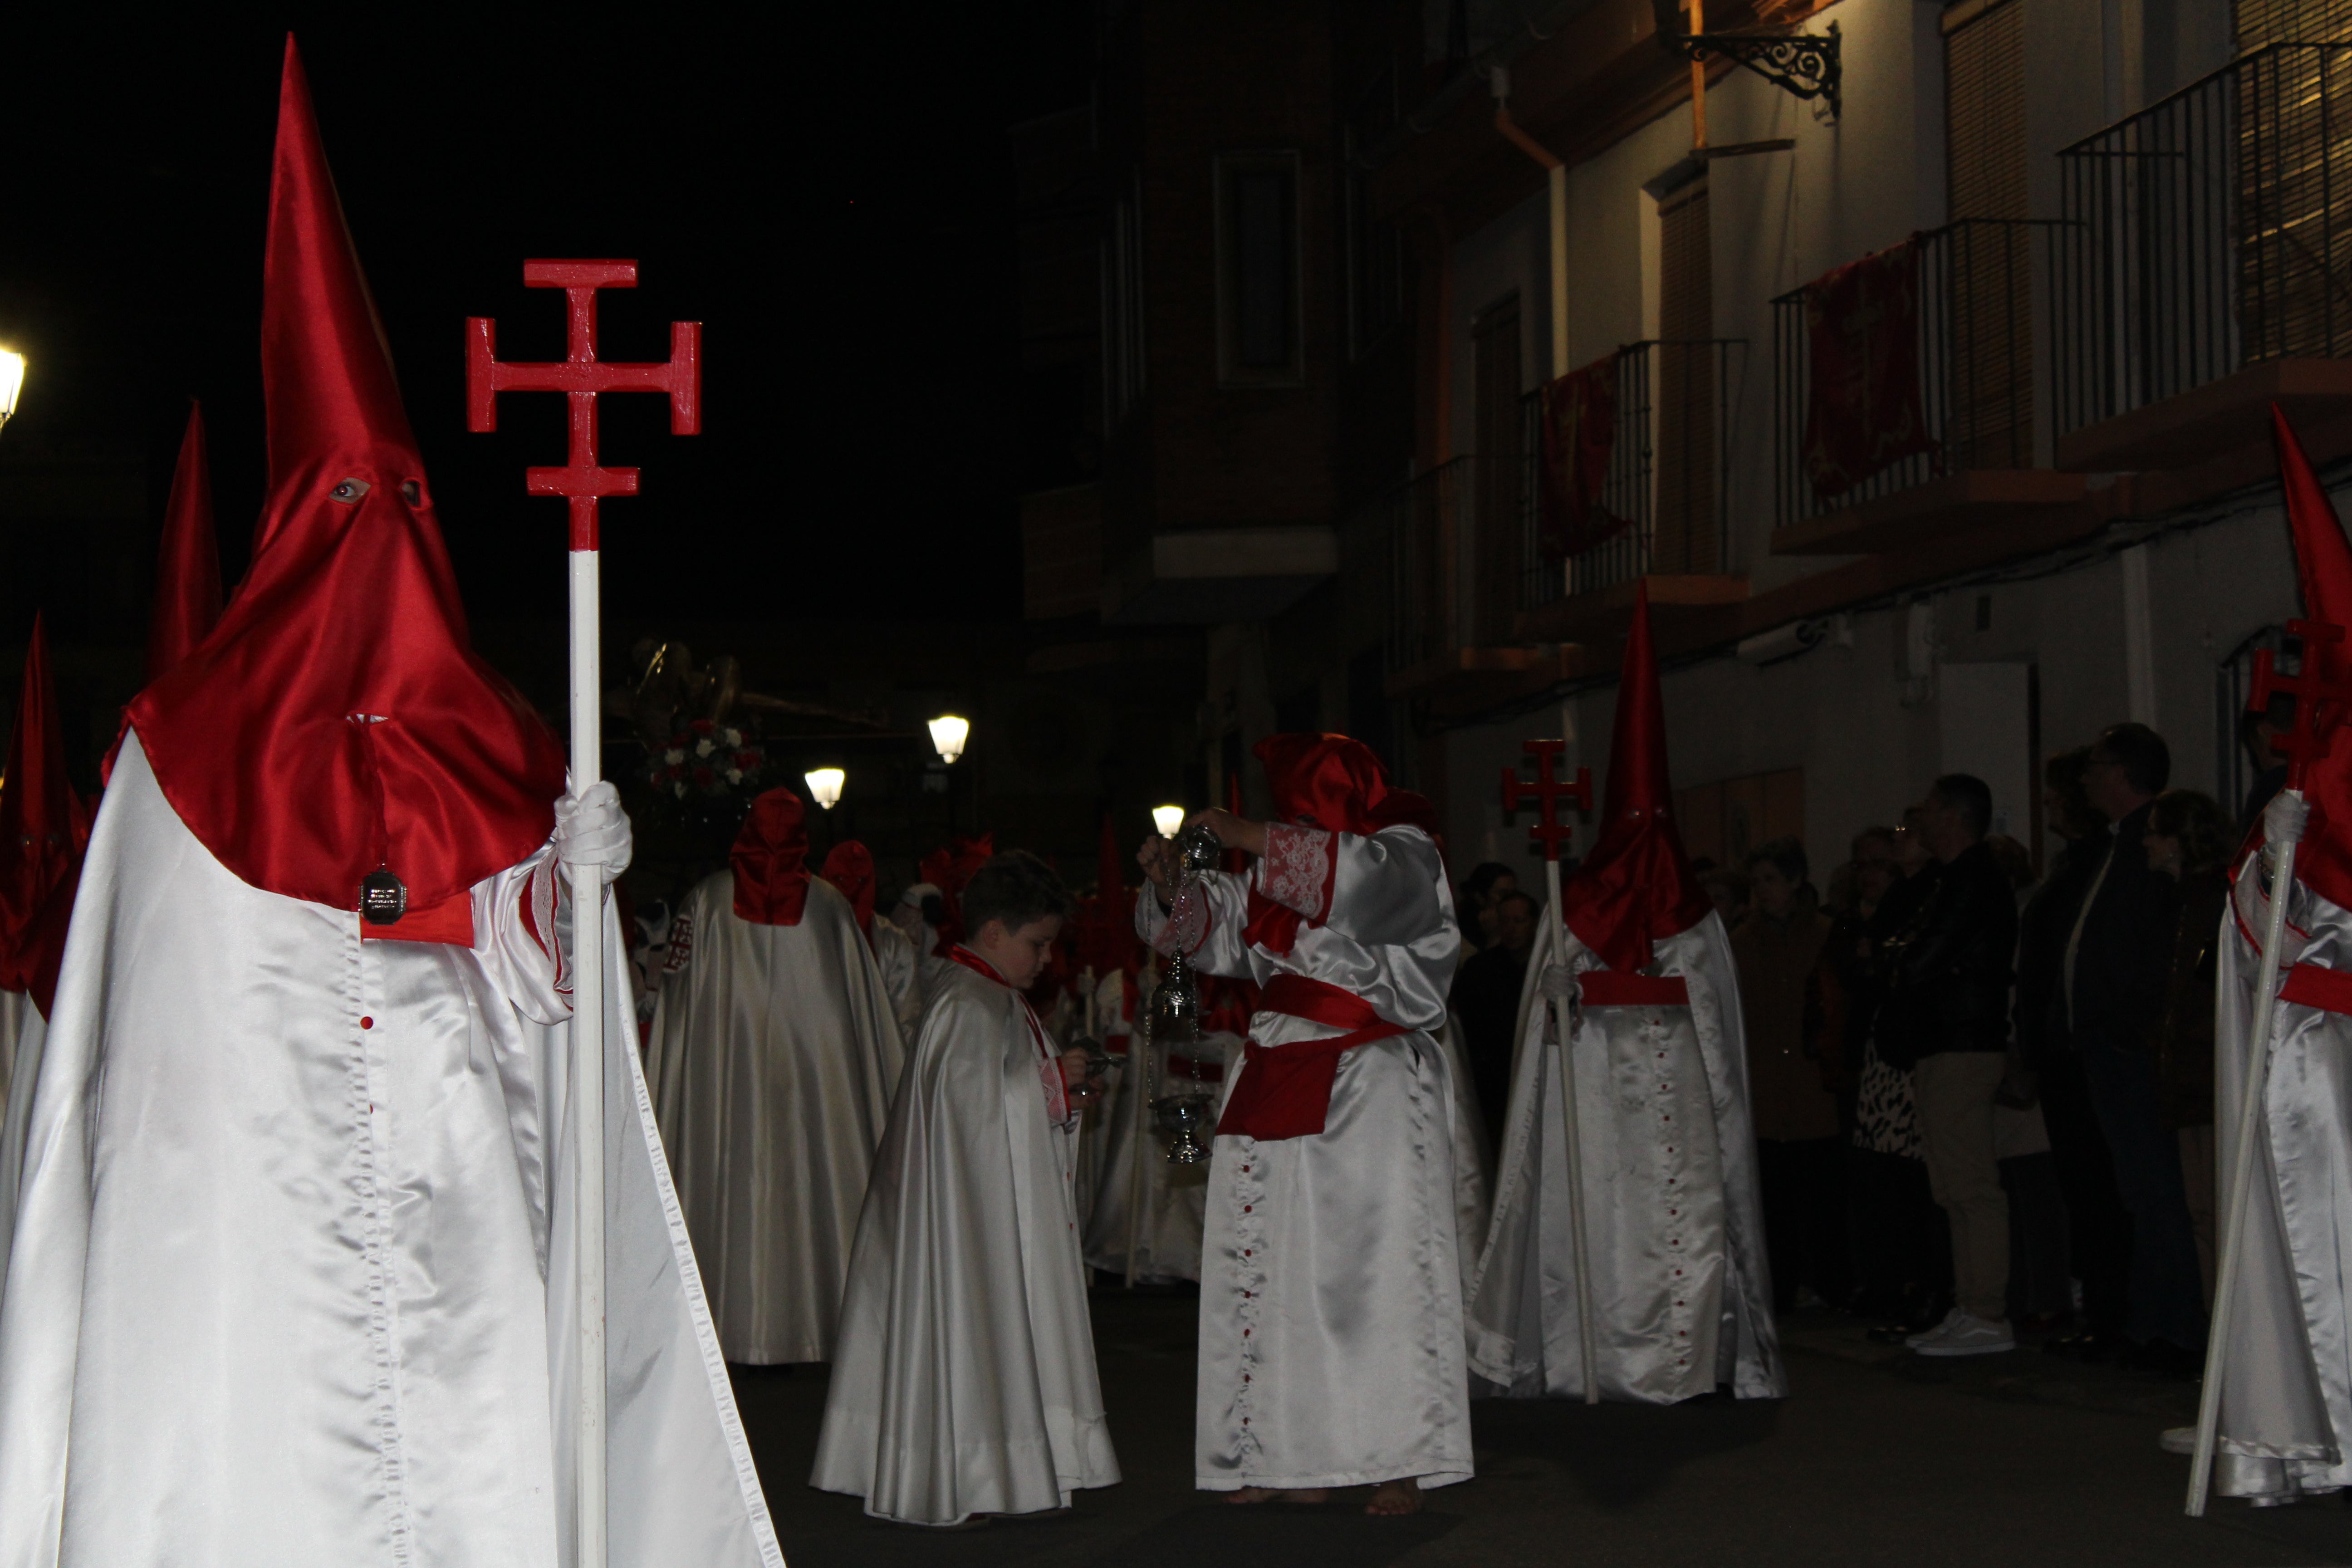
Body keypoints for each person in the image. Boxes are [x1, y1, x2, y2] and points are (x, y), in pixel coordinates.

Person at [0, 44, 780, 1563]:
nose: (383, 547)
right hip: (246, 1214)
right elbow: (145, 1044)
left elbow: (528, 979)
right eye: (348, 510)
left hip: (453, 1185)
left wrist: (569, 883)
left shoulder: (490, 734)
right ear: (294, 539)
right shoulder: (178, 761)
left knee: (479, 1459)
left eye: (405, 508)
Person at [1136, 733, 1469, 1516]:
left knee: (1376, 1279)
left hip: (1367, 1074)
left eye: (1301, 804)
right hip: (1273, 1065)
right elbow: (1197, 936)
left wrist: (1252, 835)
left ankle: (1395, 1457)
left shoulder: (1407, 852)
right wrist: (1165, 888)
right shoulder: (1270, 872)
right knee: (1266, 1268)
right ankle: (1275, 1450)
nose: (1287, 822)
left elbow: (1357, 884)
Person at [1468, 586, 1783, 1406]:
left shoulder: (1696, 915)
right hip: (1599, 1096)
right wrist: (1560, 994)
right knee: (1603, 1221)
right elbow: (1543, 1024)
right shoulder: (1572, 908)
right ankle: (1592, 1353)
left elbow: (1715, 1015)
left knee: (1686, 1222)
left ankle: (1686, 1360)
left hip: (1677, 1094)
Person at [812, 851, 1118, 1526]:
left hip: (971, 1207)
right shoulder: (966, 1006)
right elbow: (967, 1113)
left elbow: (995, 1102)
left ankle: (991, 1469)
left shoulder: (986, 997)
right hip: (953, 1219)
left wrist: (1055, 1086)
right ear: (993, 935)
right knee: (961, 1326)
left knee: (981, 1331)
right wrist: (1050, 1087)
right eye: (1037, 944)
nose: (1046, 960)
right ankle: (953, 1473)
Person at [2205, 410, 2352, 1499]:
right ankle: (2312, 1426)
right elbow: (2257, 941)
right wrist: (2273, 866)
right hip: (2314, 1063)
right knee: (2322, 1241)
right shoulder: (2289, 814)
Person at [645, 789, 907, 1365]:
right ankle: (828, 1317)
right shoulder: (832, 908)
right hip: (815, 1088)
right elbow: (863, 1017)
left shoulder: (707, 902)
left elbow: (678, 1009)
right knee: (824, 1169)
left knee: (727, 1174)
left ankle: (724, 1321)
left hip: (726, 1088)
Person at [2071, 722, 2203, 1375]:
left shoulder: (2148, 854)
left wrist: (2127, 1026)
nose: (2087, 778)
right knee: (2138, 1191)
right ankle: (2152, 1321)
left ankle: (2174, 1329)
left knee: (2159, 1192)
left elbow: (2149, 958)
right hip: (2113, 1043)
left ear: (2122, 773)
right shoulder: (2115, 847)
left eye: (2096, 766)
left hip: (2135, 1049)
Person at [1876, 775, 2019, 1357]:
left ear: (1954, 817)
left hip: (1963, 1044)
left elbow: (1921, 958)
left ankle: (1986, 1310)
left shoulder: (1973, 881)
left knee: (1971, 1184)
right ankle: (1971, 1304)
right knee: (1952, 1184)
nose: (1919, 824)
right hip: (1944, 1043)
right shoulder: (1953, 881)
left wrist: (1896, 962)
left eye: (1929, 812)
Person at [2022, 747, 2133, 1362]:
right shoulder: (2077, 868)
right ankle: (2102, 1307)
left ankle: (2111, 1311)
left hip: (2087, 1047)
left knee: (2100, 1187)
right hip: (2066, 1047)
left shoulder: (2098, 865)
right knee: (2085, 1186)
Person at [1732, 837, 1844, 1314]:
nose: (1763, 891)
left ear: (1796, 882)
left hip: (1812, 1084)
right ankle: (1777, 1289)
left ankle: (1832, 1284)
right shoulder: (1739, 943)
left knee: (1820, 1197)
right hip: (1764, 1087)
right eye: (1756, 882)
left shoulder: (1825, 934)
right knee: (1772, 1202)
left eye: (1771, 880)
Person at [2144, 788, 2229, 1308]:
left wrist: (2179, 1036)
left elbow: (2208, 987)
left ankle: (2236, 1346)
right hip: (2191, 1078)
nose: (2146, 843)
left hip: (2212, 1077)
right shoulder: (2182, 903)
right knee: (2202, 1215)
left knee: (2218, 1215)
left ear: (2179, 841)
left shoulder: (2212, 901)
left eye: (2155, 832)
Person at [1452, 887, 1537, 1149]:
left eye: (1518, 921)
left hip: (1536, 1072)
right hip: (1495, 1083)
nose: (1511, 929)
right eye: (1505, 921)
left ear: (1533, 923)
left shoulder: (1543, 967)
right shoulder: (1480, 969)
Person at [821, 839, 924, 1040]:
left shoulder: (892, 942)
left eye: (860, 882)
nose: (851, 892)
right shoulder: (809, 936)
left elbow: (906, 1019)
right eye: (841, 880)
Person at [1456, 862, 1517, 953]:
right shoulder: (1461, 933)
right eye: (1502, 894)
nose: (1510, 900)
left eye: (1513, 894)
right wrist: (1493, 937)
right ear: (1480, 897)